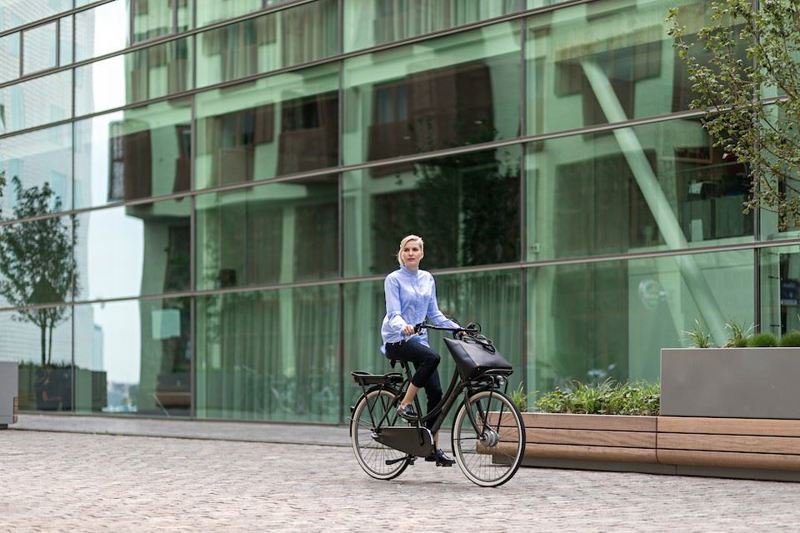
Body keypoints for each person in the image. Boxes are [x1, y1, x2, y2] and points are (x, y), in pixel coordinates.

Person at [380, 234, 460, 467]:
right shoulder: (393, 279)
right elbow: (393, 313)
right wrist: (402, 326)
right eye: (407, 249)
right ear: (401, 254)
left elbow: (434, 314)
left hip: (418, 340)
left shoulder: (427, 279)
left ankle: (432, 448)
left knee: (436, 392)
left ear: (422, 254)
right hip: (396, 338)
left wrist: (458, 329)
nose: (411, 253)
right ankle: (404, 405)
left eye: (415, 249)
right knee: (432, 357)